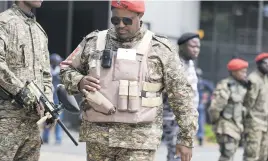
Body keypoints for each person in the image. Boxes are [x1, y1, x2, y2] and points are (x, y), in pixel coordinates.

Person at [60, 1, 198, 161]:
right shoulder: (94, 42)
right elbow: (65, 69)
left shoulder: (160, 49)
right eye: (115, 20)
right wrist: (79, 81)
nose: (120, 25)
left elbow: (182, 96)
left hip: (139, 142)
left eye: (127, 20)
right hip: (99, 140)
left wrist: (186, 139)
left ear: (140, 16)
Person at [0, 1, 54, 161]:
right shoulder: (4, 23)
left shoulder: (39, 32)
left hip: (33, 124)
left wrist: (49, 104)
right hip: (6, 119)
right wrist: (21, 91)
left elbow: (46, 74)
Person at [162, 32, 200, 161]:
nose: (196, 50)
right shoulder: (175, 64)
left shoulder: (189, 64)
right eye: (192, 46)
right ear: (182, 46)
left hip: (187, 118)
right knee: (178, 153)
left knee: (176, 154)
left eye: (198, 47)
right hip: (174, 117)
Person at [208, 58, 250, 161]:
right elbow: (215, 108)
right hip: (226, 127)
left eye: (246, 71)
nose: (245, 74)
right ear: (234, 72)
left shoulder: (241, 85)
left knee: (230, 156)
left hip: (236, 127)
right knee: (226, 156)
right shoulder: (226, 85)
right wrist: (216, 123)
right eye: (242, 71)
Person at [243, 53, 268, 161]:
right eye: (266, 63)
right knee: (252, 156)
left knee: (264, 155)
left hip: (265, 122)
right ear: (259, 64)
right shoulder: (253, 80)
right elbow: (248, 104)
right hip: (254, 123)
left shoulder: (265, 78)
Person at [42, 53, 63, 145]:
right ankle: (45, 138)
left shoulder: (61, 72)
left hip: (58, 100)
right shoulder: (47, 71)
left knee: (58, 120)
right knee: (47, 119)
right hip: (48, 98)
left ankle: (58, 138)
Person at [196, 68, 214, 146]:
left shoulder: (203, 83)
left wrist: (207, 99)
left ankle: (200, 137)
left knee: (200, 121)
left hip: (199, 104)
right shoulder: (190, 81)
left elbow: (213, 91)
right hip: (191, 104)